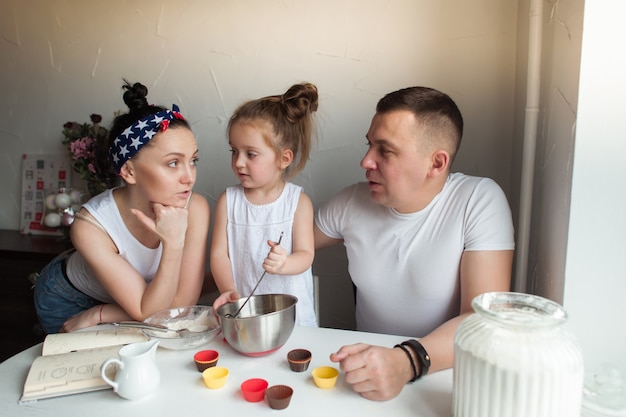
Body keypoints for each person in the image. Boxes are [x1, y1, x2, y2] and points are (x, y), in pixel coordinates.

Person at [314, 86, 514, 400]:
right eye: (369, 146)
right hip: (364, 376)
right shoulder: (352, 201)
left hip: (443, 380)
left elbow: (483, 320)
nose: (366, 161)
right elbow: (275, 251)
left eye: (385, 150)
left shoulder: (478, 200)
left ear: (436, 163)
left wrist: (406, 360)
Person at [33, 81, 210, 334]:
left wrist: (101, 314)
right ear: (129, 171)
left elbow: (180, 307)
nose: (189, 177)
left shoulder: (196, 208)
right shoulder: (90, 226)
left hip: (143, 305)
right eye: (173, 163)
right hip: (70, 298)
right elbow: (154, 313)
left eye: (193, 161)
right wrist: (173, 244)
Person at [211, 82, 318, 327]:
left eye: (251, 154)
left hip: (294, 320)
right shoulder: (228, 201)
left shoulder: (298, 202)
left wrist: (285, 263)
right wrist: (228, 289)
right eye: (234, 151)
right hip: (246, 317)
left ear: (283, 158)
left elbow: (306, 254)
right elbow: (219, 254)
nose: (238, 162)